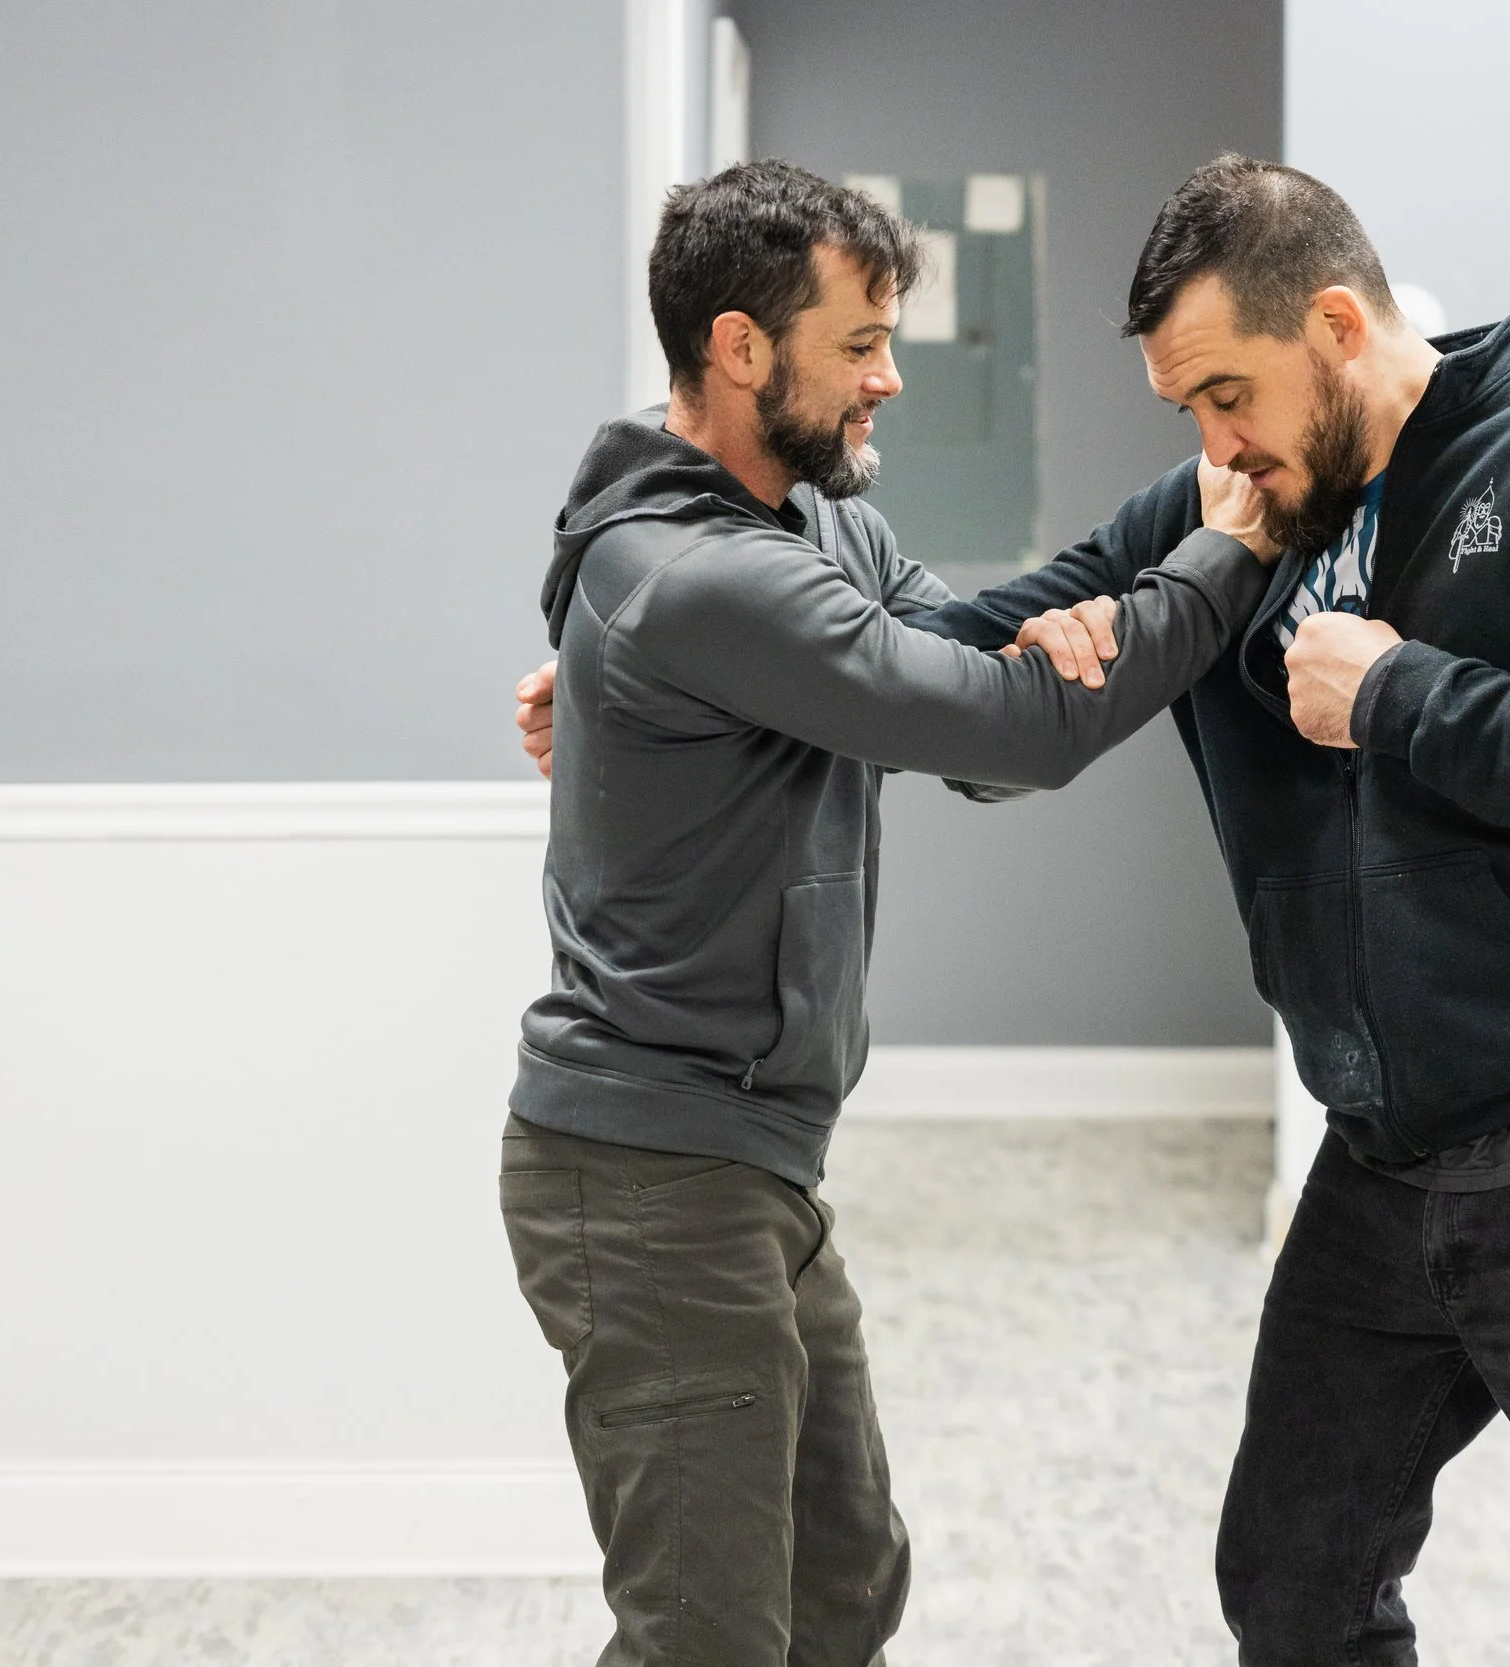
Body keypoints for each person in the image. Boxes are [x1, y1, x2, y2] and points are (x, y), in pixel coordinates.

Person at [518, 154, 1510, 1666]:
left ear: (1335, 324)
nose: (1213, 448)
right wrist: (646, 676)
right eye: (1187, 410)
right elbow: (968, 681)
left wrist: (1400, 693)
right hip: (1388, 1156)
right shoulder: (1233, 505)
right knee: (1294, 1586)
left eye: (1227, 395)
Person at [497, 159, 1276, 1667]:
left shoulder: (806, 526)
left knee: (843, 1584)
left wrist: (1176, 516)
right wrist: (1226, 555)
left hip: (747, 1162)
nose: (890, 377)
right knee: (705, 1637)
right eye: (858, 344)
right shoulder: (695, 573)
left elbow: (963, 656)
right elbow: (1005, 726)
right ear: (740, 348)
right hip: (653, 1178)